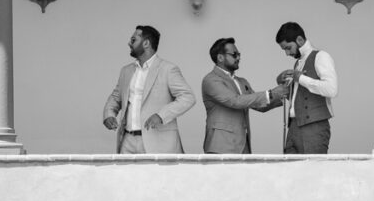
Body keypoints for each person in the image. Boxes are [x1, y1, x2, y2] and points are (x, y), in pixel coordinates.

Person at [102, 25, 196, 154]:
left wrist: (161, 115)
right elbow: (116, 97)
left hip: (158, 142)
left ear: (146, 43)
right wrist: (109, 115)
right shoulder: (126, 71)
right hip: (127, 141)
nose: (129, 43)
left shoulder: (168, 69)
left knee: (157, 175)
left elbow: (188, 97)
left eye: (133, 40)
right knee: (125, 175)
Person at [201, 37, 288, 154]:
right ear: (220, 57)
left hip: (243, 145)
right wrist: (272, 93)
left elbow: (259, 105)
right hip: (220, 145)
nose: (238, 57)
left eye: (239, 54)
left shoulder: (242, 81)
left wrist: (282, 92)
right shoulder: (211, 80)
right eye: (234, 54)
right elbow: (235, 101)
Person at [274, 22, 338, 154]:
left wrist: (300, 78)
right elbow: (300, 98)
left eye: (288, 48)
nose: (287, 53)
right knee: (290, 172)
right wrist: (282, 82)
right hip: (293, 128)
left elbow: (332, 89)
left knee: (312, 172)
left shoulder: (321, 56)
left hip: (314, 128)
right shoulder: (297, 63)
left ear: (299, 40)